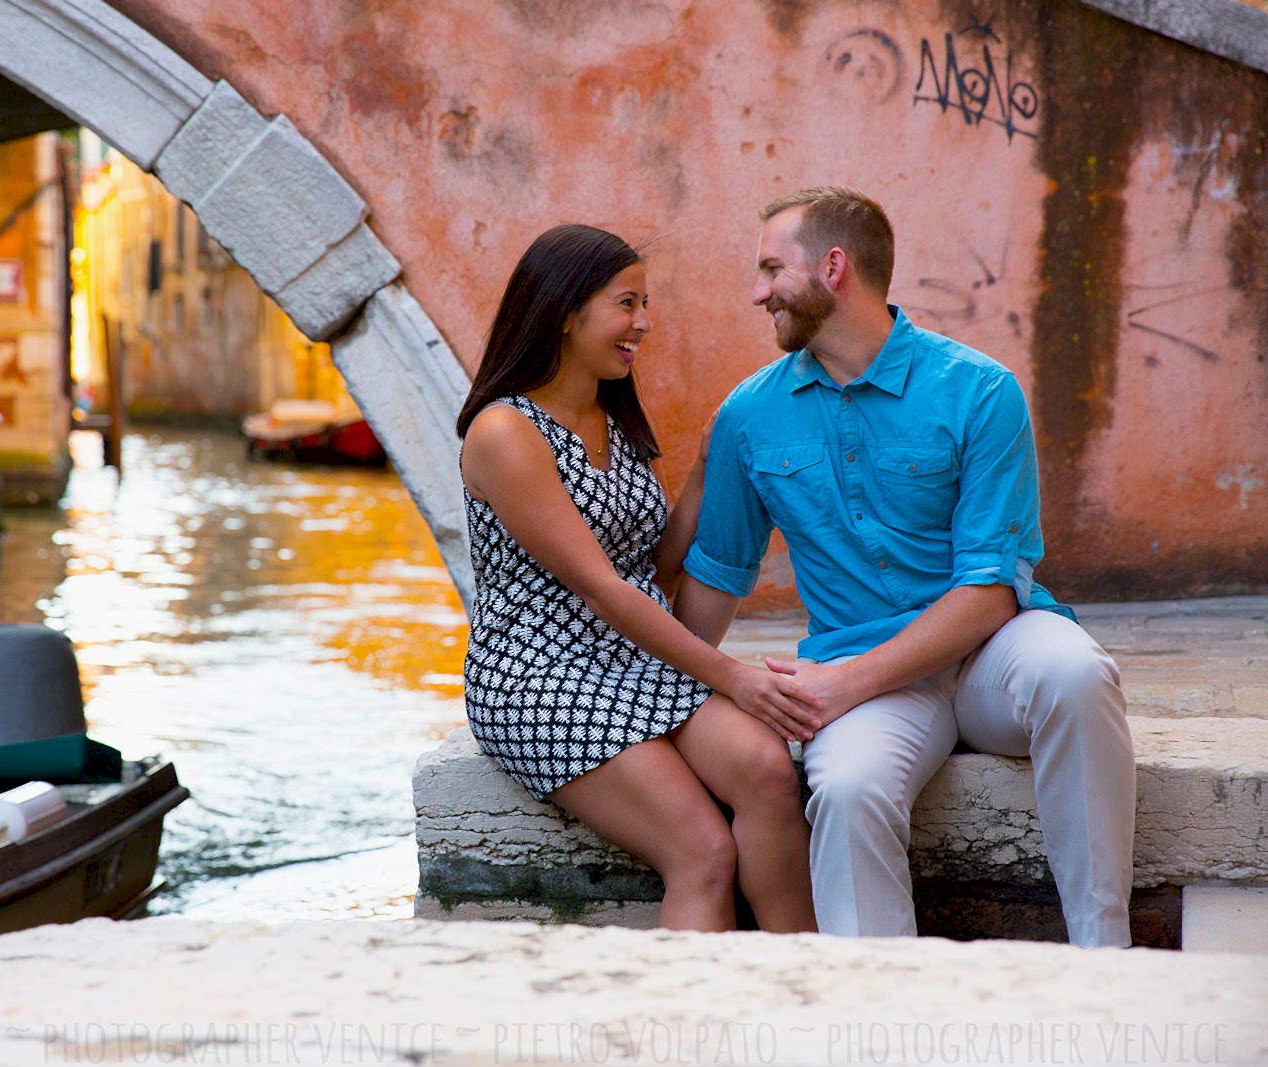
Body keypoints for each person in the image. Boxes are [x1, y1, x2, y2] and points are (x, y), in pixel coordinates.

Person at [676, 186, 1135, 946]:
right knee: (848, 789)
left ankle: (1105, 955)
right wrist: (655, 702)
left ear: (833, 267)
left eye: (769, 269)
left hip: (988, 656)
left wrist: (839, 685)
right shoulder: (748, 415)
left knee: (1076, 673)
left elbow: (989, 594)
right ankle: (878, 1022)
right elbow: (716, 580)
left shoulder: (979, 391)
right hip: (870, 679)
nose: (757, 294)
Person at [457, 224, 818, 933]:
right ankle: (680, 1033)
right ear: (566, 312)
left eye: (645, 303)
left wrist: (712, 458)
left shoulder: (609, 413)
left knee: (771, 774)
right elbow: (601, 586)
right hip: (537, 674)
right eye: (628, 304)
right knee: (702, 850)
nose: (644, 323)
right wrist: (731, 676)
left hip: (628, 661)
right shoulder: (505, 433)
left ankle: (803, 985)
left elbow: (646, 565)